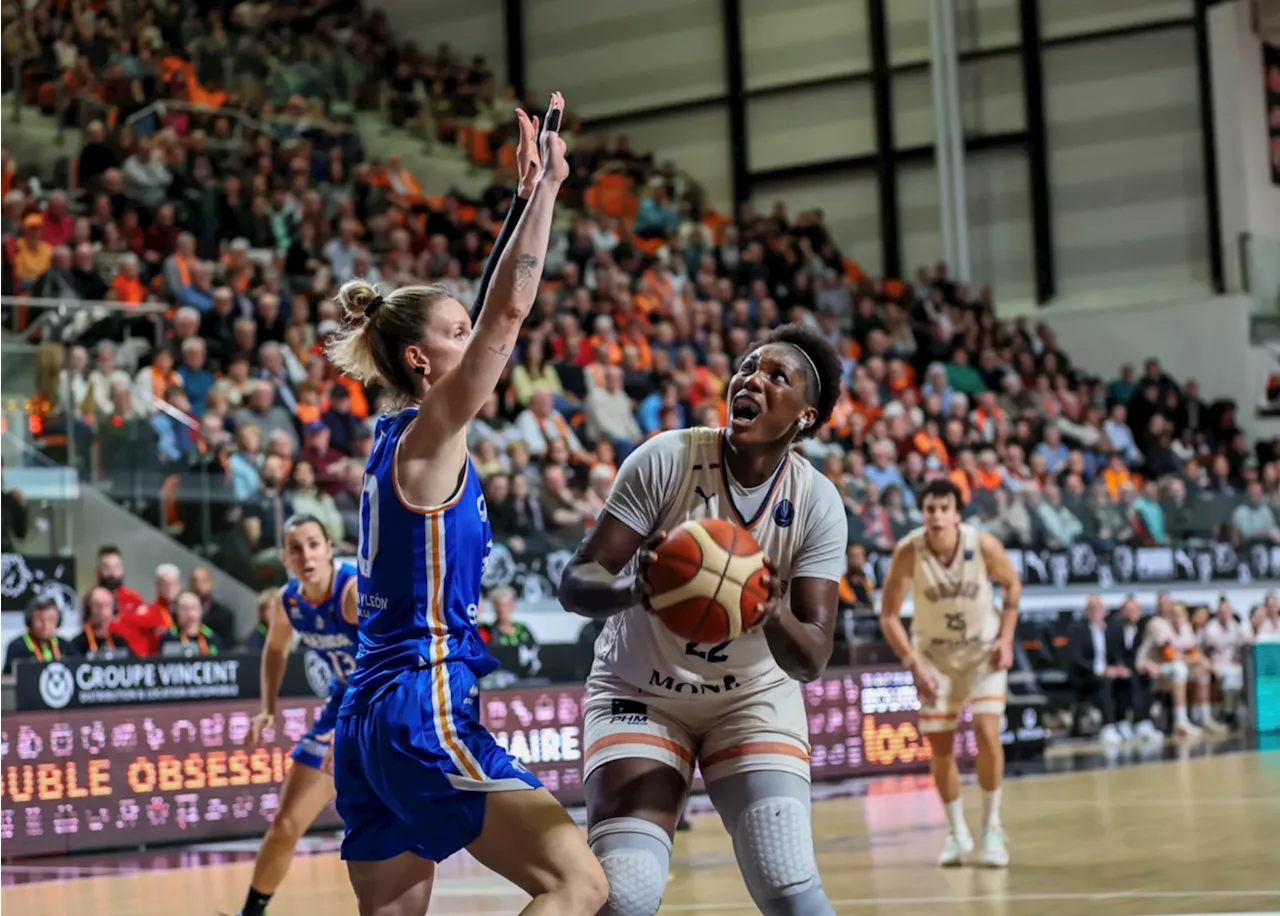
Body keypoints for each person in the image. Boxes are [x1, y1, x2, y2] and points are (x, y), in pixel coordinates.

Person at [326, 93, 608, 916]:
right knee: (578, 883)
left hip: (364, 715)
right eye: (458, 333)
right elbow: (509, 313)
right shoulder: (429, 438)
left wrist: (518, 201)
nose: (475, 336)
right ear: (422, 360)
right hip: (422, 698)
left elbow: (484, 310)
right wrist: (550, 189)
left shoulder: (399, 436)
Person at [557, 322, 847, 916]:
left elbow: (812, 656)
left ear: (806, 417)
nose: (752, 379)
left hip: (752, 697)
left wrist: (766, 610)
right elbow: (576, 581)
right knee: (628, 889)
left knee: (787, 877)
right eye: (747, 367)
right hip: (640, 691)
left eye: (776, 375)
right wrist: (633, 589)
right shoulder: (667, 457)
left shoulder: (817, 502)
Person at [877, 478, 1022, 868]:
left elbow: (1012, 586)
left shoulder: (984, 546)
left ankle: (991, 826)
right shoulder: (909, 550)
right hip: (935, 659)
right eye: (930, 509)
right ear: (922, 514)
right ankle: (957, 832)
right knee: (941, 748)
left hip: (981, 654)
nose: (937, 516)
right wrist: (913, 664)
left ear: (958, 514)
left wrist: (1006, 638)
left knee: (987, 732)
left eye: (944, 508)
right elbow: (888, 615)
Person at [234, 515, 359, 916]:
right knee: (287, 823)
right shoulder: (287, 601)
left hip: (388, 699)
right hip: (344, 701)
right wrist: (267, 710)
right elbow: (275, 650)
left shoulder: (354, 592)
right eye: (296, 548)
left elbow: (388, 661)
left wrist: (352, 730)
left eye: (313, 544)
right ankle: (252, 912)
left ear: (329, 548)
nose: (306, 554)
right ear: (284, 558)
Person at [3, 596, 79, 675]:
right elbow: (7, 681)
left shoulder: (66, 646)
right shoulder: (16, 647)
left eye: (51, 619)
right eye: (39, 619)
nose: (45, 625)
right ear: (30, 620)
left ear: (58, 621)